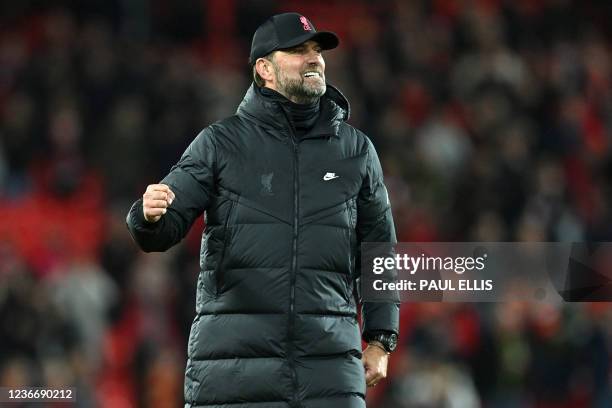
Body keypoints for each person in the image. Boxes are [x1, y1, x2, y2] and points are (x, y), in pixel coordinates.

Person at [126, 12, 399, 408]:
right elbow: (164, 225)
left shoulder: (356, 151)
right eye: (298, 50)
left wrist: (380, 340)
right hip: (232, 371)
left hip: (329, 371)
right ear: (264, 69)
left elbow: (380, 253)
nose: (314, 58)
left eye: (316, 50)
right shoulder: (220, 144)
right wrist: (147, 215)